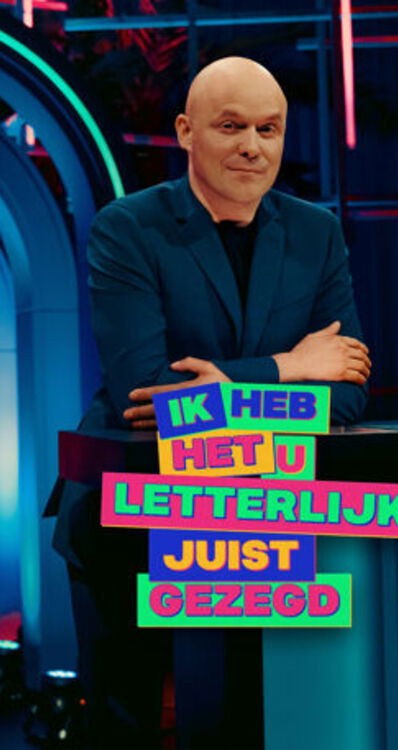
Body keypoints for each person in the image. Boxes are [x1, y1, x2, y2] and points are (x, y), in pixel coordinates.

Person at [48, 56, 371, 750]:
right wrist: (289, 367)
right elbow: (151, 399)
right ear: (186, 131)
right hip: (133, 515)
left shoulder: (316, 233)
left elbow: (346, 394)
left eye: (268, 129)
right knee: (125, 731)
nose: (253, 146)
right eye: (231, 126)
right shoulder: (128, 228)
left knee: (246, 723)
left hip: (257, 520)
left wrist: (225, 390)